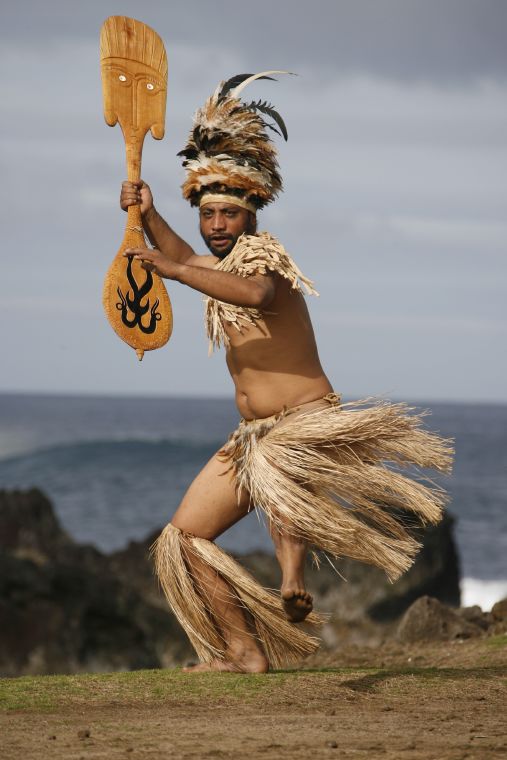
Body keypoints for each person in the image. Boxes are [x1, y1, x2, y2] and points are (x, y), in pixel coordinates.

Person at [120, 72, 453, 673]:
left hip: (301, 422)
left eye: (228, 214)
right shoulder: (210, 261)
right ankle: (243, 653)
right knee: (184, 539)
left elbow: (252, 294)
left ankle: (292, 579)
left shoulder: (265, 259)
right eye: (209, 213)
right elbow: (179, 255)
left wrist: (175, 273)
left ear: (249, 214)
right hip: (251, 433)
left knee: (278, 472)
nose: (216, 224)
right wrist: (146, 213)